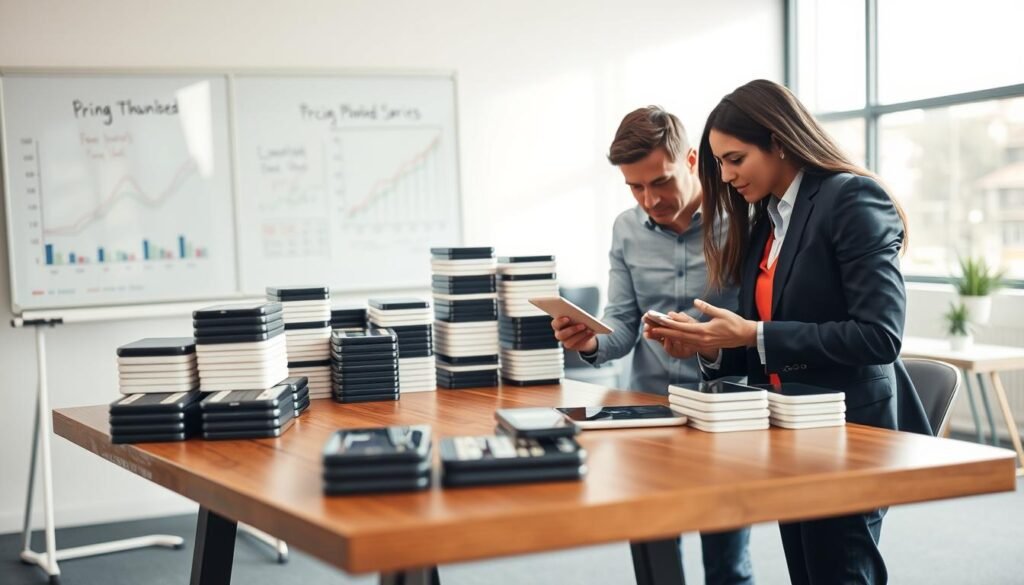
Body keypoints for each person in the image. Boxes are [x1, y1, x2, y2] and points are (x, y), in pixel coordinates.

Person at [644, 79, 913, 584]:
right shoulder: (767, 220)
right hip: (791, 430)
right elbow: (766, 342)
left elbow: (879, 336)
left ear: (779, 141)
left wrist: (753, 334)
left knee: (838, 573)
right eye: (719, 163)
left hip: (848, 431)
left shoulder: (852, 199)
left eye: (736, 159)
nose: (725, 175)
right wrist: (710, 345)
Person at [552, 106, 752, 585]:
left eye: (660, 181)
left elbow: (758, 321)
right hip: (646, 410)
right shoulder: (625, 229)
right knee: (655, 559)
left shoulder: (743, 218)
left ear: (690, 160)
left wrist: (705, 339)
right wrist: (591, 341)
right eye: (635, 187)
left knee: (727, 565)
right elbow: (621, 324)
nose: (650, 199)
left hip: (724, 410)